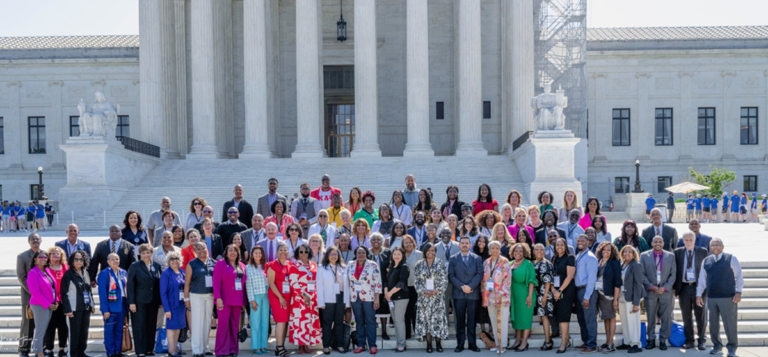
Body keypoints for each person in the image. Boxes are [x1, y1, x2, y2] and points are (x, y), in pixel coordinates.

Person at [696, 238, 743, 357]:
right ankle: (717, 345)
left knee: (730, 324)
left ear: (723, 246)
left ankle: (732, 347)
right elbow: (702, 280)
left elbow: (739, 276)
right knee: (713, 324)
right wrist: (698, 295)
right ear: (710, 247)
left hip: (728, 297)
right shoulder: (706, 261)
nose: (715, 247)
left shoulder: (731, 258)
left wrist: (738, 292)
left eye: (717, 245)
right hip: (711, 297)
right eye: (712, 245)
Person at [673, 232, 709, 350]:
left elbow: (706, 270)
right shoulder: (677, 252)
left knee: (700, 315)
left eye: (691, 240)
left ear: (694, 240)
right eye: (686, 240)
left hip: (698, 287)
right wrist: (674, 288)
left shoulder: (702, 251)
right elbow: (675, 271)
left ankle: (701, 340)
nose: (688, 242)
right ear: (683, 241)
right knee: (686, 316)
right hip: (684, 287)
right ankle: (689, 339)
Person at [640, 236, 676, 350]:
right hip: (651, 292)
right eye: (655, 241)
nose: (658, 243)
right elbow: (641, 273)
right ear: (651, 243)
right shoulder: (644, 255)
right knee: (650, 316)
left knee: (666, 317)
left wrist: (665, 288)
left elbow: (673, 274)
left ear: (663, 243)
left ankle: (663, 340)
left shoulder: (670, 256)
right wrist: (651, 286)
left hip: (665, 292)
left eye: (660, 241)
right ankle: (650, 339)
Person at [448, 236, 483, 352]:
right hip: (459, 293)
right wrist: (462, 287)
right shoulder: (453, 259)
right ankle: (460, 344)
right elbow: (451, 275)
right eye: (462, 243)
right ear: (459, 245)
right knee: (460, 320)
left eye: (466, 243)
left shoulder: (477, 258)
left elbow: (479, 274)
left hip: (473, 293)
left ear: (470, 245)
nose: (464, 245)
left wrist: (470, 286)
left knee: (472, 320)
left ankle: (472, 344)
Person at [127, 244, 162, 357]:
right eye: (143, 253)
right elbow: (130, 285)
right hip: (139, 301)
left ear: (151, 253)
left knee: (151, 325)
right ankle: (140, 350)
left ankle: (149, 349)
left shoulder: (156, 266)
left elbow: (158, 284)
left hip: (153, 301)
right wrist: (131, 302)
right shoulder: (135, 265)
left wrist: (160, 301)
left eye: (148, 252)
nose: (146, 255)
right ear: (140, 254)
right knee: (139, 325)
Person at [346, 246, 382, 354]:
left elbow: (378, 282)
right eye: (358, 252)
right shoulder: (350, 264)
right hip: (355, 297)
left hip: (369, 297)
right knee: (359, 321)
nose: (361, 254)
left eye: (363, 252)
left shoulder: (372, 264)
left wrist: (377, 298)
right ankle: (361, 344)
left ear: (366, 253)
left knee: (370, 321)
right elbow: (347, 281)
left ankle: (372, 345)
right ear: (355, 254)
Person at [414, 243, 449, 353]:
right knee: (426, 320)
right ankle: (429, 344)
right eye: (428, 250)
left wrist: (437, 290)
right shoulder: (419, 264)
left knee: (437, 320)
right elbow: (417, 281)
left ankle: (438, 343)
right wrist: (423, 290)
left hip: (437, 297)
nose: (431, 252)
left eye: (433, 250)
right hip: (424, 298)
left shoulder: (441, 263)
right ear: (424, 252)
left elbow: (444, 280)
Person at [183, 242, 216, 357]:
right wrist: (186, 298)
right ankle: (197, 350)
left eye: (204, 248)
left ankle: (205, 347)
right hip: (196, 295)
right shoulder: (191, 264)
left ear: (207, 248)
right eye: (199, 249)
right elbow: (187, 283)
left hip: (210, 295)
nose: (202, 251)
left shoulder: (213, 263)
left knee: (207, 322)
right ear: (195, 251)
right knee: (197, 323)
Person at [288, 245, 321, 354]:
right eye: (301, 252)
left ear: (309, 253)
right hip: (299, 299)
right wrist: (304, 295)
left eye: (306, 251)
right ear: (297, 253)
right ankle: (300, 346)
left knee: (310, 321)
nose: (303, 254)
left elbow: (317, 282)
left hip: (312, 298)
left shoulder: (313, 265)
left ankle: (306, 345)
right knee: (300, 322)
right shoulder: (294, 265)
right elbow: (293, 283)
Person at [60, 250, 94, 357]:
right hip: (73, 309)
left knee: (83, 332)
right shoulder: (68, 274)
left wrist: (92, 305)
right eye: (76, 259)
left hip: (85, 308)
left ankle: (81, 353)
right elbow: (64, 293)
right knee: (74, 334)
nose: (79, 261)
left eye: (81, 259)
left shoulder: (86, 273)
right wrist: (68, 309)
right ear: (72, 261)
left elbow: (89, 291)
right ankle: (73, 354)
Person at [317, 246, 348, 354]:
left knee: (339, 322)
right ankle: (326, 345)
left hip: (340, 297)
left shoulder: (343, 267)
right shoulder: (321, 268)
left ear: (338, 256)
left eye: (336, 254)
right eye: (331, 254)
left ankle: (339, 344)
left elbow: (347, 286)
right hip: (327, 299)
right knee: (327, 323)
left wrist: (346, 302)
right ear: (327, 256)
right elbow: (319, 286)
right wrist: (320, 302)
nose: (333, 256)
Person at [482, 241, 512, 353]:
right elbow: (484, 280)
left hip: (502, 297)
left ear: (500, 250)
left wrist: (502, 292)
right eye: (492, 248)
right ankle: (497, 343)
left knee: (502, 321)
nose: (494, 250)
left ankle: (503, 345)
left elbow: (508, 279)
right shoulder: (486, 262)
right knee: (494, 321)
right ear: (489, 250)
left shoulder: (504, 261)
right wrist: (485, 296)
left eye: (497, 248)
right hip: (490, 297)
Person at [97, 253, 129, 357]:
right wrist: (105, 310)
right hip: (111, 307)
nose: (115, 261)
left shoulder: (123, 272)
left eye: (117, 259)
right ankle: (110, 352)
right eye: (112, 259)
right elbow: (102, 294)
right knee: (110, 330)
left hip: (122, 305)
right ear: (108, 262)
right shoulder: (104, 274)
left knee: (119, 329)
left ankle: (117, 350)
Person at [571, 235, 599, 353]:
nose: (580, 242)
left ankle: (592, 344)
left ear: (588, 242)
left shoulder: (590, 257)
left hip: (587, 291)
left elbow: (592, 279)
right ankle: (586, 341)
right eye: (578, 241)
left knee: (589, 319)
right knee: (581, 319)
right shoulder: (578, 255)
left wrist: (587, 296)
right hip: (578, 290)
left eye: (583, 240)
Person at [27, 250, 57, 357]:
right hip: (40, 305)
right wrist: (49, 304)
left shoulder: (47, 270)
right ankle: (39, 353)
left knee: (43, 329)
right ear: (35, 260)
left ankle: (39, 351)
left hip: (49, 304)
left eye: (45, 257)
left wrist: (56, 301)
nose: (43, 259)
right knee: (40, 330)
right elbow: (35, 293)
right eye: (40, 257)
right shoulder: (33, 273)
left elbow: (53, 287)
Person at [616, 246, 645, 354]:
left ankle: (636, 344)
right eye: (625, 252)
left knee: (633, 322)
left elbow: (638, 285)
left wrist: (636, 303)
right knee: (624, 321)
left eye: (629, 252)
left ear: (634, 254)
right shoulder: (622, 264)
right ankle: (627, 342)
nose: (627, 253)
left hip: (632, 298)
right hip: (622, 297)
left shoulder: (636, 265)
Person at [508, 243, 537, 352]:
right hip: (514, 295)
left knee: (525, 318)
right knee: (516, 318)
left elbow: (532, 281)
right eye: (516, 250)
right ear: (512, 252)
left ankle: (524, 341)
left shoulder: (528, 263)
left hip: (525, 294)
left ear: (524, 252)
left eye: (520, 251)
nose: (518, 253)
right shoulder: (509, 263)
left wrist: (529, 296)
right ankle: (517, 340)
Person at [594, 242, 622, 353]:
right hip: (600, 295)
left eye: (609, 250)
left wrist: (615, 299)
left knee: (612, 318)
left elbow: (617, 282)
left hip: (610, 295)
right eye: (604, 249)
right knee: (606, 318)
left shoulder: (614, 263)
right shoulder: (599, 262)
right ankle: (607, 341)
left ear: (612, 252)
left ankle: (611, 343)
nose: (606, 251)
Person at [17, 233, 42, 357]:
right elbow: (22, 277)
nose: (35, 241)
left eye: (37, 239)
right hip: (29, 297)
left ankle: (40, 349)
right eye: (33, 239)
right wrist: (34, 292)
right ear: (29, 241)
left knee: (42, 324)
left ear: (41, 240)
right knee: (27, 324)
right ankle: (24, 349)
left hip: (43, 298)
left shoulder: (45, 255)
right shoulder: (22, 257)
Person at [551, 238, 576, 354]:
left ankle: (563, 343)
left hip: (566, 291)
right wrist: (553, 290)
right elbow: (551, 276)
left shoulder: (570, 258)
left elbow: (570, 276)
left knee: (564, 317)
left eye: (561, 245)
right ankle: (567, 340)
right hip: (556, 291)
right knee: (559, 316)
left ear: (565, 246)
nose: (559, 247)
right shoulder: (554, 258)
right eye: (557, 245)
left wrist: (559, 291)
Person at [267, 243, 291, 357]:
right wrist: (280, 297)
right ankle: (279, 347)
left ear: (288, 252)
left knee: (285, 321)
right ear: (277, 252)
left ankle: (281, 346)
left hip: (288, 296)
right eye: (280, 250)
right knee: (281, 321)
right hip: (277, 296)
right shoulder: (272, 265)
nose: (283, 252)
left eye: (285, 250)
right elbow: (271, 283)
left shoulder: (289, 265)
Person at [43, 247, 68, 357]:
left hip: (62, 302)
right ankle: (49, 349)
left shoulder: (65, 267)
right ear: (48, 256)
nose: (55, 255)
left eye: (58, 253)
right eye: (52, 253)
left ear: (61, 255)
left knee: (63, 326)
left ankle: (62, 348)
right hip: (49, 302)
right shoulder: (44, 268)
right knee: (50, 326)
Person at [384, 247, 410, 352]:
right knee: (395, 320)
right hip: (391, 298)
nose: (396, 256)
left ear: (403, 255)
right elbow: (386, 281)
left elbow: (401, 283)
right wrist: (386, 292)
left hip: (401, 297)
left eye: (399, 254)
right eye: (394, 254)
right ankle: (399, 342)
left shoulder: (404, 267)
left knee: (399, 320)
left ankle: (402, 344)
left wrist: (389, 293)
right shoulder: (391, 266)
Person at [368, 233, 392, 341]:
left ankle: (384, 331)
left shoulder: (387, 252)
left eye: (378, 239)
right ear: (370, 242)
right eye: (373, 239)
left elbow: (391, 267)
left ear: (382, 241)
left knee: (383, 308)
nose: (376, 241)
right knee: (370, 309)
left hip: (384, 284)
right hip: (368, 286)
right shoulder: (366, 253)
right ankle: (372, 330)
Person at [532, 243, 555, 351]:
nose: (539, 251)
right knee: (542, 316)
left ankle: (548, 341)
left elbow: (548, 282)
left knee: (545, 317)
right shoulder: (533, 263)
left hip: (544, 294)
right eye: (537, 249)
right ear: (533, 251)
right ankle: (548, 339)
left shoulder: (546, 263)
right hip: (536, 294)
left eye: (541, 250)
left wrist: (545, 296)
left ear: (545, 252)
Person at [434, 227, 459, 319]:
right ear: (440, 235)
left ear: (451, 234)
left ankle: (458, 329)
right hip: (440, 280)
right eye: (443, 233)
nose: (445, 235)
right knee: (443, 305)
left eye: (448, 233)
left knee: (456, 304)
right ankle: (444, 328)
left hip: (455, 280)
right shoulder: (435, 247)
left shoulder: (458, 246)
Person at [402, 235, 423, 339]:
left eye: (410, 242)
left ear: (413, 242)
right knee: (405, 311)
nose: (408, 244)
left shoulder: (419, 254)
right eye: (406, 242)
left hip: (416, 286)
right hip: (403, 287)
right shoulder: (400, 254)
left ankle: (417, 332)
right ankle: (407, 333)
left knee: (416, 310)